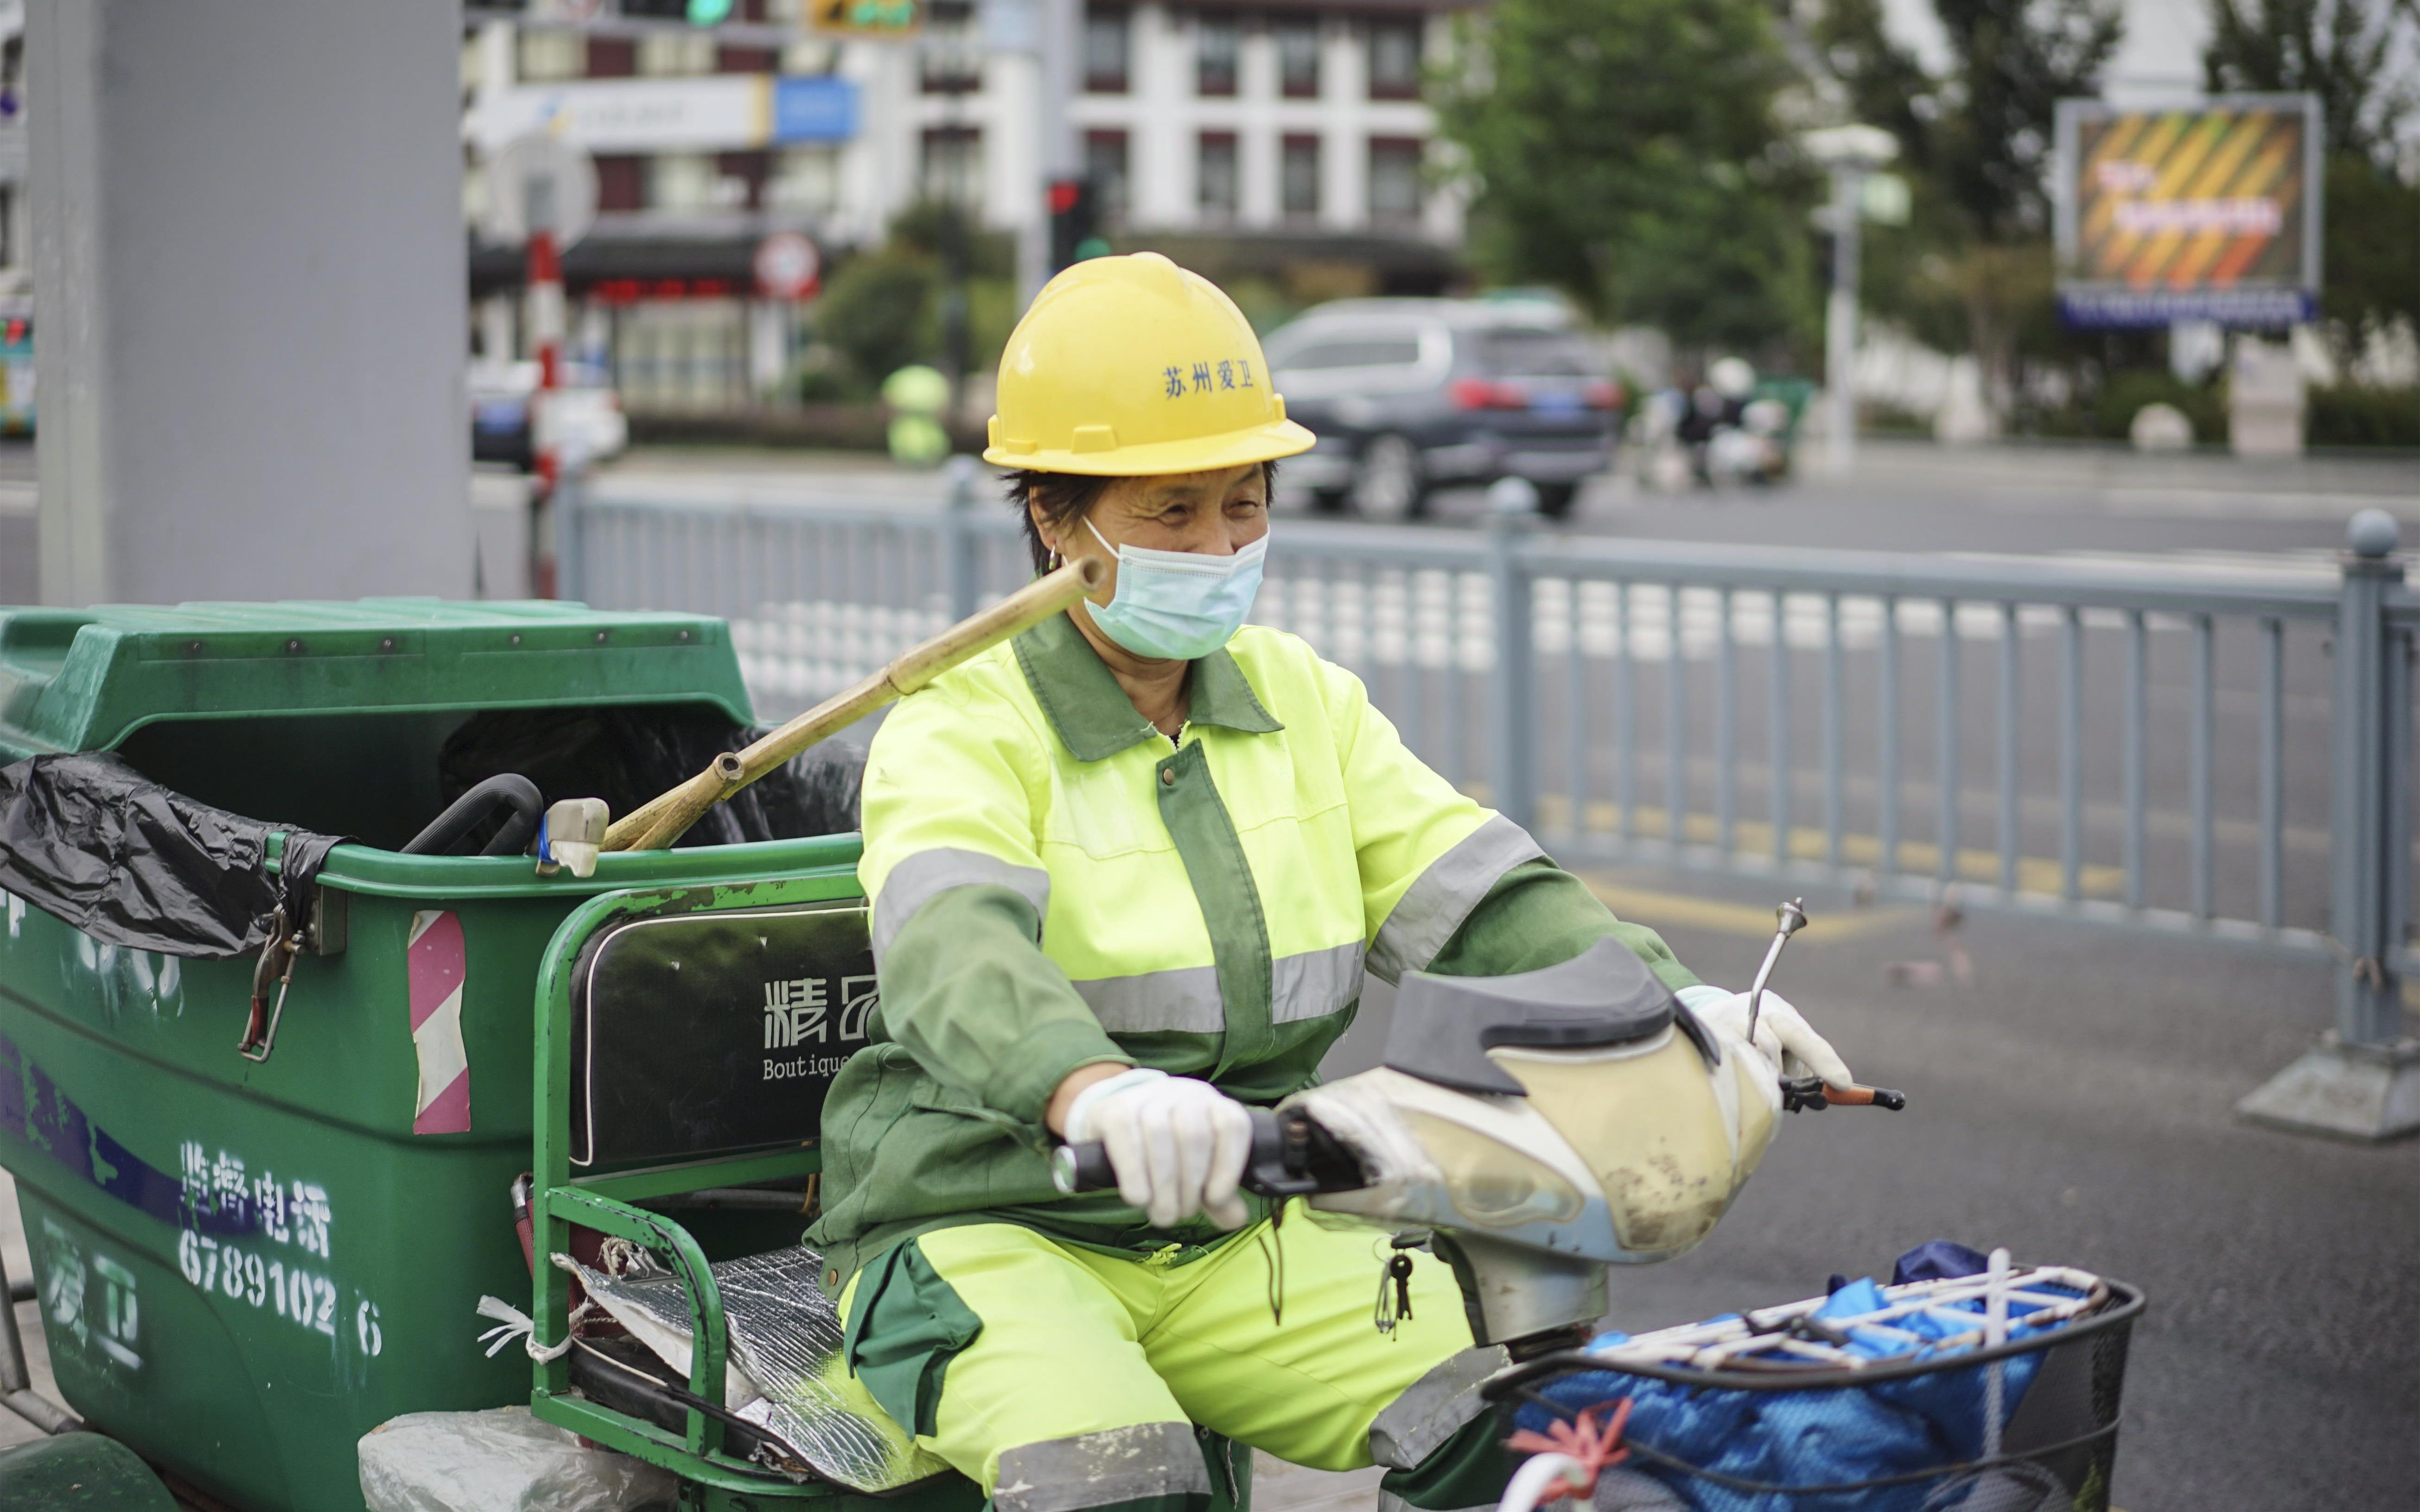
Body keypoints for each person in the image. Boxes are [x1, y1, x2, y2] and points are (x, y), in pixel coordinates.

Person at [805, 253, 1852, 1512]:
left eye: (1243, 503)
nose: (1222, 544)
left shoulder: (1301, 698)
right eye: (1171, 514)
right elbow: (953, 949)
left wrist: (1684, 1003)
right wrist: (1090, 1091)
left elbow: (1485, 901)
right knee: (1120, 1481)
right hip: (980, 1233)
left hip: (1239, 1231)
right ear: (1053, 518)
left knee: (1545, 1432)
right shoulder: (962, 724)